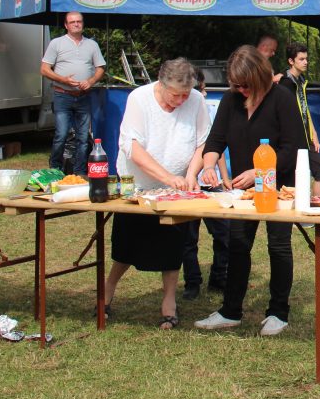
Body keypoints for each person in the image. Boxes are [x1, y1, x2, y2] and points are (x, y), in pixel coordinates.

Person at [195, 46, 307, 336]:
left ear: (259, 76)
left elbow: (294, 149)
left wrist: (260, 173)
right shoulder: (231, 100)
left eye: (245, 85)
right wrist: (209, 166)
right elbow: (215, 140)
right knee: (238, 245)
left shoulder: (281, 98)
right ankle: (231, 310)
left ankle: (278, 312)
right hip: (243, 193)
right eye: (236, 85)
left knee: (278, 246)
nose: (241, 90)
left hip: (279, 186)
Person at [105, 58, 210, 330]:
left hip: (176, 189)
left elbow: (202, 142)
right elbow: (133, 147)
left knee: (172, 244)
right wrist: (167, 178)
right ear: (161, 85)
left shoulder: (196, 100)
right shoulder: (139, 99)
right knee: (126, 245)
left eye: (185, 95)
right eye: (175, 95)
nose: (180, 100)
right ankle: (107, 291)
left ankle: (169, 301)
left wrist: (190, 175)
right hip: (138, 185)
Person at [180, 66, 230, 300]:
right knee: (188, 238)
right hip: (188, 187)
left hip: (210, 184)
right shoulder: (178, 114)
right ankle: (192, 282)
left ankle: (219, 278)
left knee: (223, 233)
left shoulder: (207, 110)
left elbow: (215, 147)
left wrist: (223, 176)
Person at [41, 11, 106, 174]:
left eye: (79, 21)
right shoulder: (57, 43)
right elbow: (44, 69)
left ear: (83, 24)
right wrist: (63, 80)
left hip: (83, 97)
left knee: (83, 138)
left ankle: (79, 172)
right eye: (72, 22)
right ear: (66, 25)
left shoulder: (92, 45)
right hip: (62, 94)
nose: (76, 24)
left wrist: (90, 81)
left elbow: (100, 68)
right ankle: (55, 169)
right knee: (61, 135)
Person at [280, 43, 320, 196]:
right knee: (292, 180)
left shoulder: (301, 81)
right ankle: (295, 216)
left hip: (305, 137)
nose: (305, 62)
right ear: (291, 61)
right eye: (301, 59)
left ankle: (316, 209)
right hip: (291, 139)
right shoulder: (284, 83)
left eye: (306, 59)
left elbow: (305, 109)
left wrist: (313, 133)